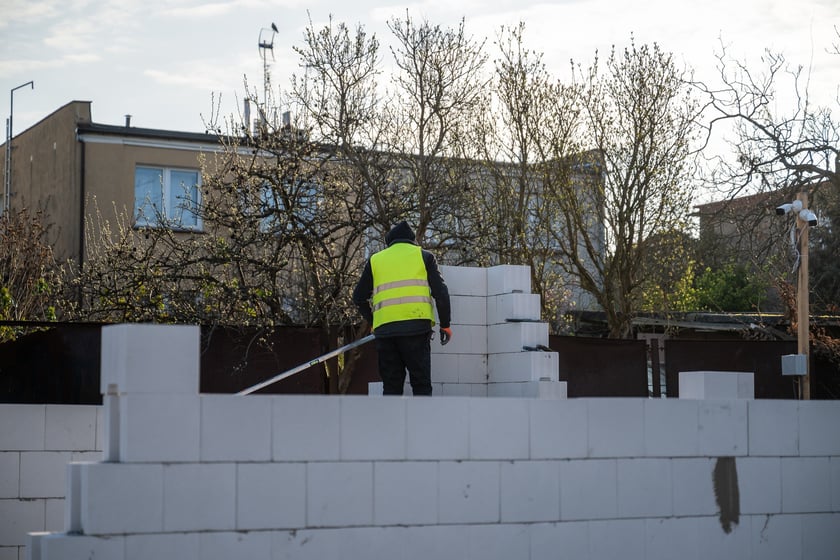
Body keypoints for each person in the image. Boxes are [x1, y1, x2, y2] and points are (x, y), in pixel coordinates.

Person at [352, 221, 452, 396]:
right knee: (421, 385)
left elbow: (358, 297)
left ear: (390, 241)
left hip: (386, 333)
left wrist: (374, 321)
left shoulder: (376, 260)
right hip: (416, 331)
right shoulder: (424, 257)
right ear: (411, 240)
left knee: (391, 387)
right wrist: (445, 324)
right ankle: (421, 423)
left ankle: (393, 423)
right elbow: (441, 294)